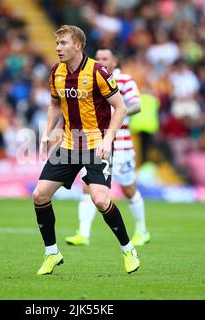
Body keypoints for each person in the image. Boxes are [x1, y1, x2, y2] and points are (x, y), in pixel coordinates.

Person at [33, 25, 140, 275]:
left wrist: (108, 138)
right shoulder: (56, 72)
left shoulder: (98, 71)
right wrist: (48, 132)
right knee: (39, 195)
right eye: (57, 43)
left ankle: (128, 249)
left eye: (63, 43)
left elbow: (121, 108)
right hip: (70, 143)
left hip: (96, 143)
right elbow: (54, 104)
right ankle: (52, 253)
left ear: (78, 46)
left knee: (100, 200)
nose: (58, 48)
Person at [65, 48, 151, 247]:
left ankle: (142, 231)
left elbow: (137, 105)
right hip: (96, 145)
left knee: (128, 189)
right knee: (88, 187)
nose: (102, 62)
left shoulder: (125, 80)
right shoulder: (92, 79)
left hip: (121, 146)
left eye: (106, 58)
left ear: (115, 61)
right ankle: (83, 234)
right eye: (99, 58)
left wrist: (116, 113)